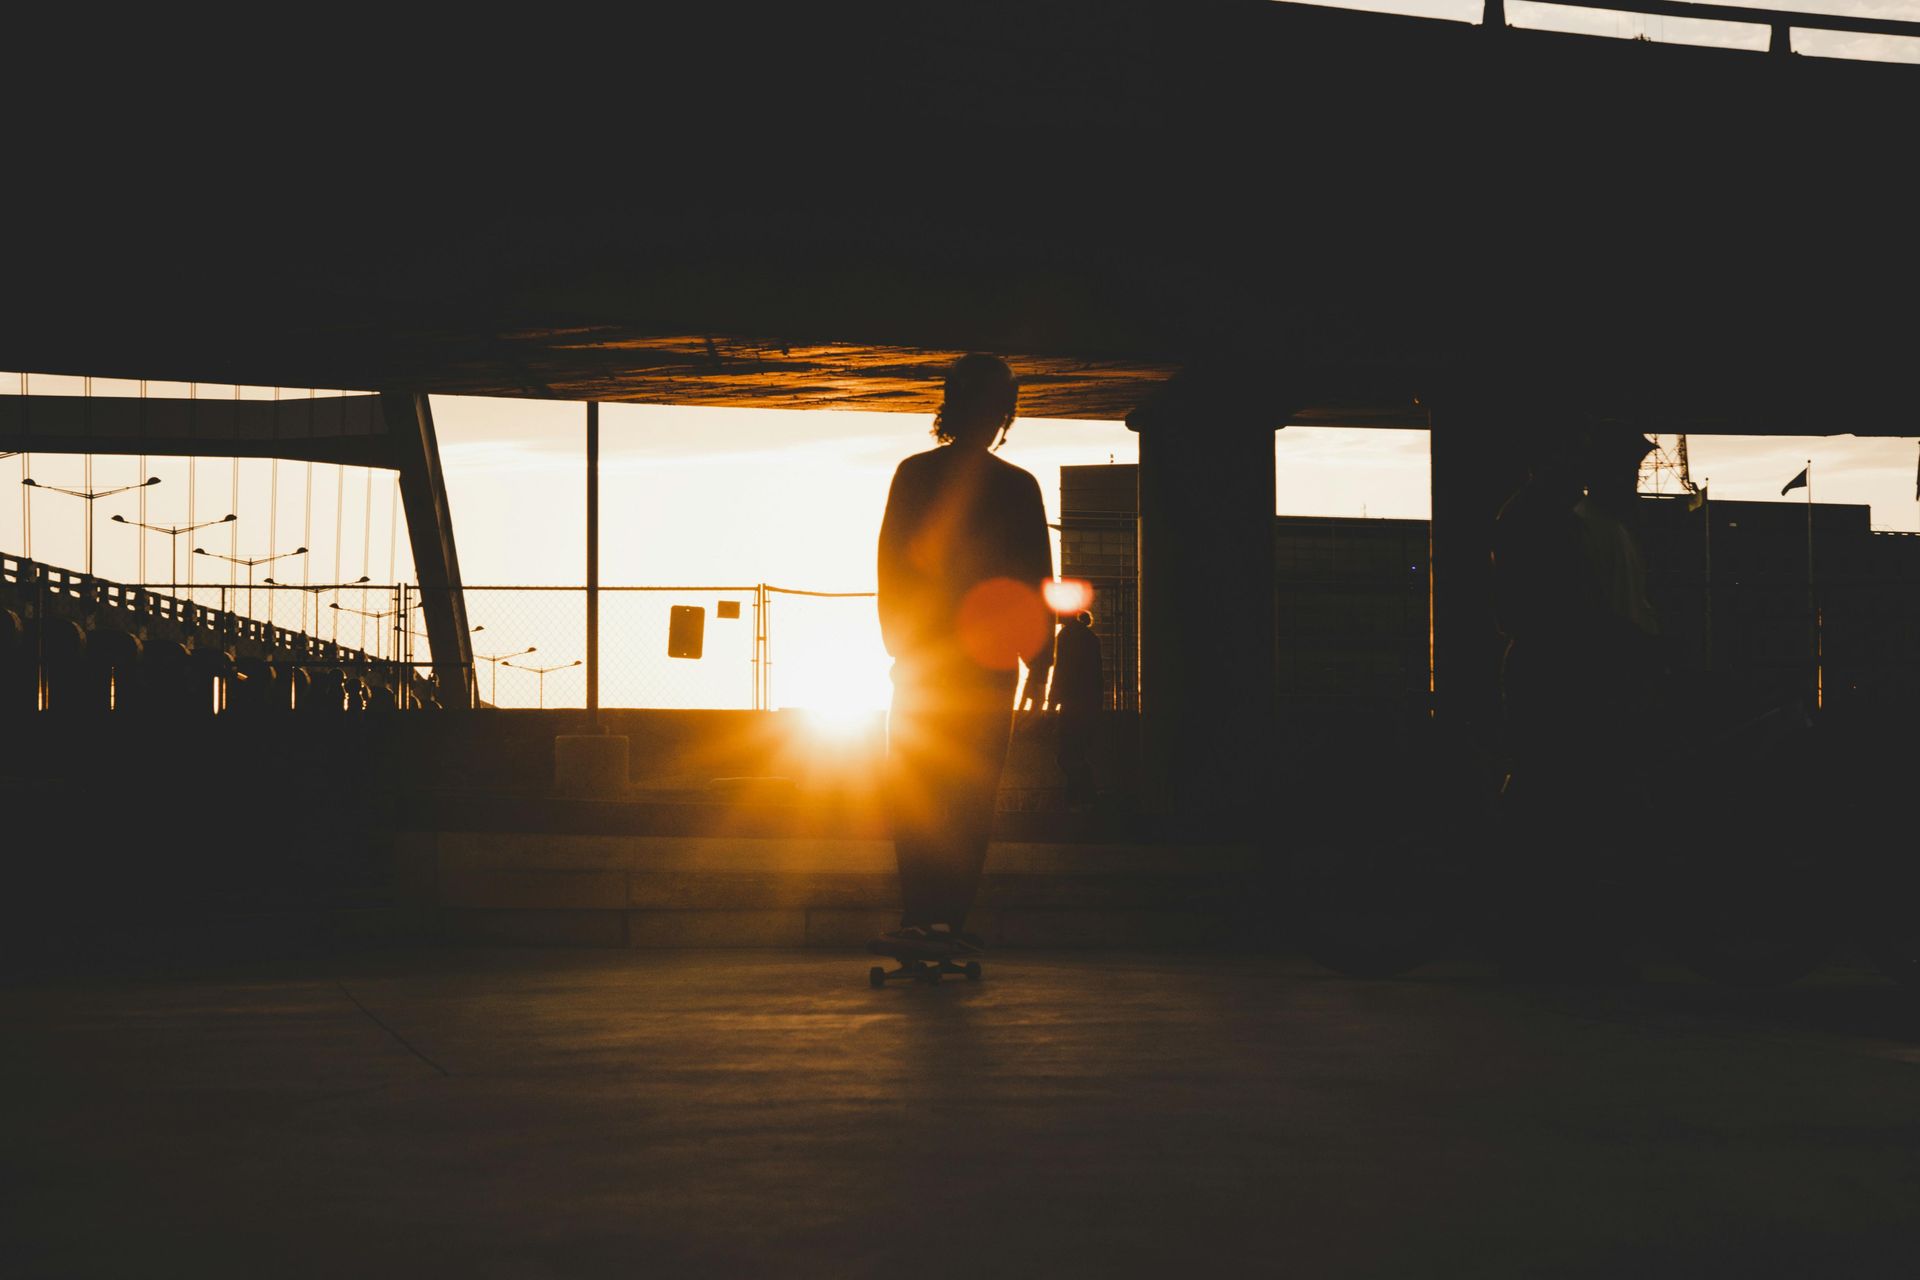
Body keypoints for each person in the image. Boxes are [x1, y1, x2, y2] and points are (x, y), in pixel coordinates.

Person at [870, 354, 1054, 957]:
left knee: (922, 787)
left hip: (929, 663)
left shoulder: (915, 475)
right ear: (1003, 412)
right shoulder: (1016, 486)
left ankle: (925, 912)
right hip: (987, 665)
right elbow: (1035, 579)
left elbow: (891, 566)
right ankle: (945, 914)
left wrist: (901, 643)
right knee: (971, 795)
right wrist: (1040, 659)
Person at [1048, 610, 1103, 807]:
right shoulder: (1090, 637)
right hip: (1089, 702)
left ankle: (1084, 795)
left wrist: (1052, 699)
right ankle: (1077, 798)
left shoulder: (1066, 636)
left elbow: (1061, 669)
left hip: (1072, 703)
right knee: (1076, 752)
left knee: (1066, 754)